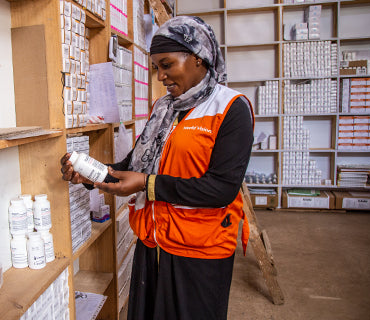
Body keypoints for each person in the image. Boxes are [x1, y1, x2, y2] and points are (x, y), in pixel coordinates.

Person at [60, 16, 254, 320]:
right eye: (156, 68)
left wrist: (145, 184)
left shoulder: (231, 109)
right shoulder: (163, 110)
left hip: (199, 252)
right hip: (152, 243)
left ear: (199, 59)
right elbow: (131, 166)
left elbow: (221, 189)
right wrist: (91, 174)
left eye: (167, 65)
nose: (161, 76)